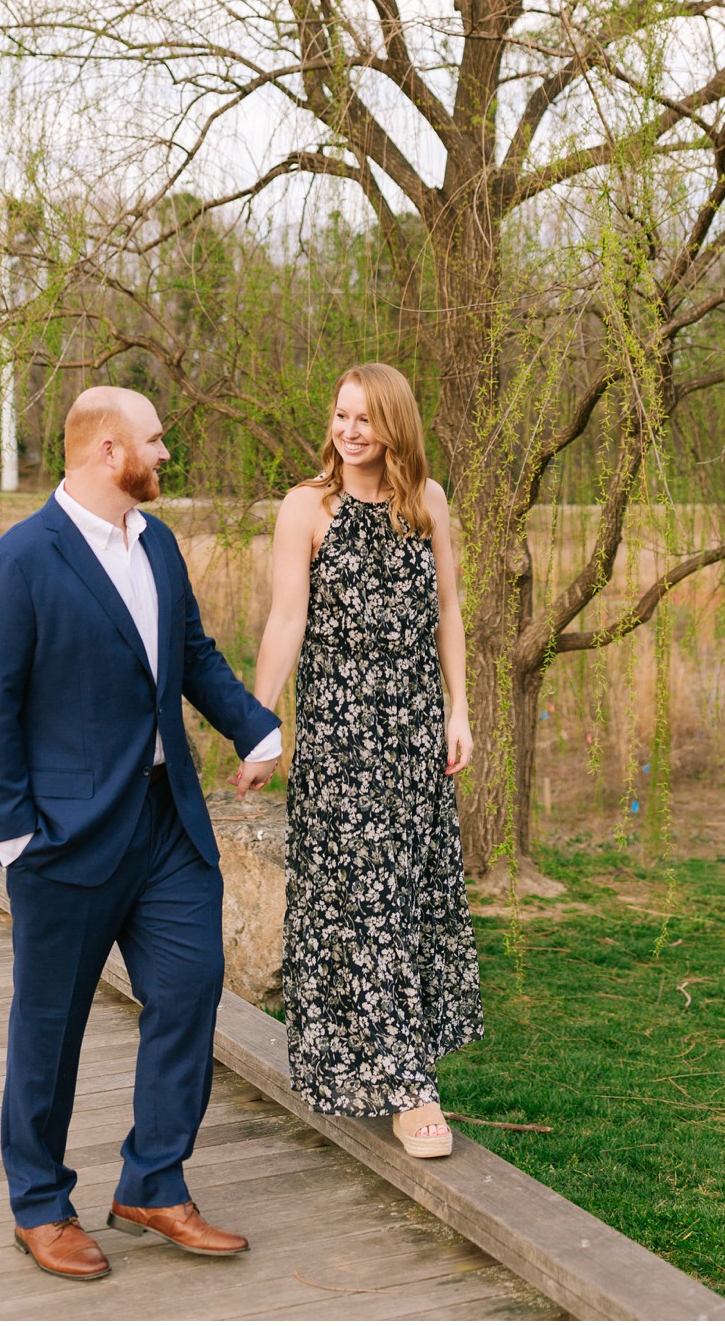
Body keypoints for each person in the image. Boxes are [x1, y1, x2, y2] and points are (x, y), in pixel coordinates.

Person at [0, 386, 282, 1281]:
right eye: (154, 438)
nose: (165, 451)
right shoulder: (18, 563)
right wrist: (19, 837)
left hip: (164, 821)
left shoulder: (160, 545)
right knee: (50, 1024)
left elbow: (188, 656)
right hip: (62, 840)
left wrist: (252, 725)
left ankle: (153, 1180)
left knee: (190, 987)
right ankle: (39, 1202)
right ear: (108, 449)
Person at [242, 362, 483, 1157]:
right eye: (341, 415)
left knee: (405, 900)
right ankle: (412, 1090)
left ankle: (394, 1065)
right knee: (360, 906)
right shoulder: (307, 506)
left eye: (365, 418)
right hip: (340, 741)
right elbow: (286, 619)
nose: (349, 430)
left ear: (394, 426)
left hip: (412, 736)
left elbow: (447, 610)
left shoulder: (428, 502)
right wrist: (257, 722)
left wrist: (459, 709)